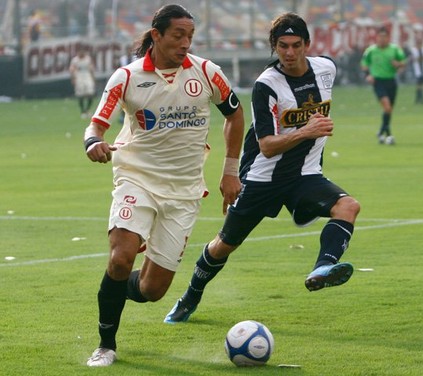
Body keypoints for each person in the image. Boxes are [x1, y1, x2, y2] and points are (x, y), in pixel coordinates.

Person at [164, 12, 360, 325]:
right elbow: (267, 144)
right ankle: (190, 295)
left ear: (307, 44)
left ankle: (323, 267)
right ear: (274, 46)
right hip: (262, 177)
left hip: (305, 176)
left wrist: (308, 136)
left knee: (348, 206)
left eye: (297, 45)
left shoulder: (326, 69)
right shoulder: (266, 85)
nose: (290, 52)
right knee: (224, 245)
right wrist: (306, 131)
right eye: (283, 45)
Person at [83, 4, 244, 367]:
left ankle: (112, 286)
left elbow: (235, 114)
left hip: (184, 191)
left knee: (153, 290)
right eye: (177, 35)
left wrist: (230, 170)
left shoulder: (206, 73)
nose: (186, 43)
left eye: (190, 36)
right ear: (156, 35)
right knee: (121, 257)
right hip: (135, 178)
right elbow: (96, 124)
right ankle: (106, 345)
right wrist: (93, 143)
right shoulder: (126, 77)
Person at [361, 27, 406, 145]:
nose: (382, 39)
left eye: (384, 36)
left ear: (388, 38)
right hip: (378, 82)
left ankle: (381, 132)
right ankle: (388, 134)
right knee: (387, 107)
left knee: (389, 109)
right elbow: (364, 64)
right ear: (376, 38)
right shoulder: (371, 50)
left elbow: (403, 62)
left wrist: (398, 64)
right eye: (380, 36)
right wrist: (368, 75)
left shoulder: (395, 49)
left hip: (391, 81)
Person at [69, 47, 96, 118]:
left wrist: (93, 78)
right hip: (79, 76)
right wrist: (73, 78)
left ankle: (88, 109)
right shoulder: (75, 60)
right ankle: (83, 111)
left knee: (90, 93)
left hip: (87, 75)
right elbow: (72, 69)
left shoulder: (88, 59)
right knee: (80, 94)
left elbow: (91, 69)